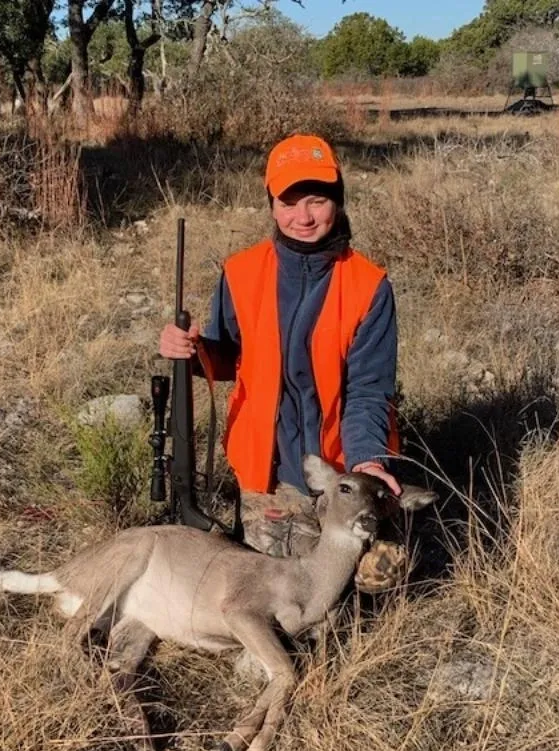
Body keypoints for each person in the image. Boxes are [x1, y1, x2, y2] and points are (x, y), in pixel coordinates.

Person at [159, 133, 406, 591]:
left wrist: (367, 463)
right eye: (288, 202)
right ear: (271, 204)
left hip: (340, 468)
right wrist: (194, 353)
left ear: (338, 201)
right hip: (266, 468)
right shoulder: (241, 271)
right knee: (276, 595)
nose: (304, 217)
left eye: (317, 200)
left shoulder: (369, 286)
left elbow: (369, 391)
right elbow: (229, 356)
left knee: (369, 587)